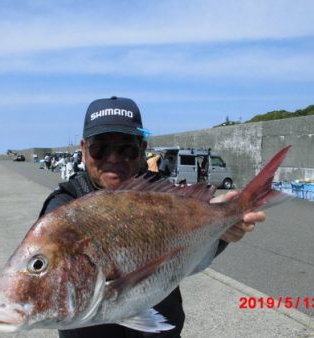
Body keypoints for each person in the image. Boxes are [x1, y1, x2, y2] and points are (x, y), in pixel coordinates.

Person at [39, 96, 266, 338]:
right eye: (100, 148)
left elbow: (188, 258)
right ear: (83, 149)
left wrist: (222, 231)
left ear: (142, 149)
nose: (113, 158)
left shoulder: (165, 195)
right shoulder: (65, 205)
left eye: (126, 148)